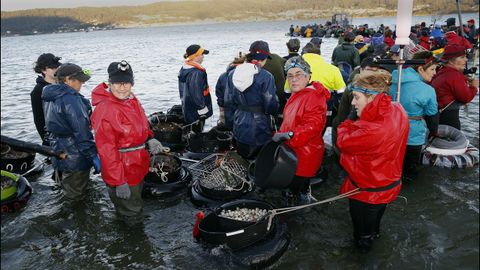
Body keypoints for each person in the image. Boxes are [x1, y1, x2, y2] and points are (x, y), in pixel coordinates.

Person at [337, 70, 409, 251]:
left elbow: (342, 142)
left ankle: (361, 256)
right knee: (374, 224)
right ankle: (373, 237)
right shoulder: (397, 109)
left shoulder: (371, 130)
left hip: (366, 191)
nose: (353, 103)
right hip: (388, 184)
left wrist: (349, 120)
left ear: (371, 98)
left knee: (361, 234)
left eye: (356, 97)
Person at [90, 60, 164, 225]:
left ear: (132, 83)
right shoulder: (105, 109)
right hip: (123, 170)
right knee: (131, 213)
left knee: (134, 203)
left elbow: (141, 122)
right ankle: (133, 236)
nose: (122, 87)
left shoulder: (131, 99)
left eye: (126, 82)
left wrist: (149, 138)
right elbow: (106, 151)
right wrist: (118, 181)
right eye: (117, 83)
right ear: (109, 83)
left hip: (137, 164)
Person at [272, 57, 329, 206]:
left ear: (308, 75)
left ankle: (299, 210)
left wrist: (290, 135)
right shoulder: (298, 93)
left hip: (304, 154)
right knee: (295, 184)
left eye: (298, 74)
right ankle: (301, 196)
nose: (293, 79)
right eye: (290, 75)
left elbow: (313, 125)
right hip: (293, 150)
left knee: (296, 186)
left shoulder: (313, 97)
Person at [42, 63, 100, 200]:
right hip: (75, 157)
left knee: (65, 191)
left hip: (58, 153)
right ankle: (78, 218)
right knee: (77, 197)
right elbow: (82, 134)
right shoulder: (71, 99)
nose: (81, 84)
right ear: (68, 79)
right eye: (79, 80)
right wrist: (93, 156)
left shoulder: (49, 95)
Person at [225, 40, 279, 160]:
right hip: (260, 124)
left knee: (243, 154)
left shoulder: (232, 73)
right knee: (260, 158)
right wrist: (275, 115)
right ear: (264, 58)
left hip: (239, 120)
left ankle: (244, 175)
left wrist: (229, 123)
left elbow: (228, 101)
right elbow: (270, 103)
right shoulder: (266, 76)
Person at [390, 51, 440, 181]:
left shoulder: (392, 80)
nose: (435, 73)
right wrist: (433, 132)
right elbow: (432, 117)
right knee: (409, 172)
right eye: (433, 69)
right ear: (420, 69)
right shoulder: (428, 90)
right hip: (412, 137)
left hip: (389, 133)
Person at [331, 57, 389, 156]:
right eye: (369, 70)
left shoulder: (373, 88)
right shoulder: (355, 90)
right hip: (344, 128)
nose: (372, 74)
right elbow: (346, 116)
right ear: (361, 70)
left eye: (375, 71)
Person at [431, 44, 478, 130]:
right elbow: (466, 97)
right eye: (462, 57)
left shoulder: (441, 71)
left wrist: (463, 79)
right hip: (448, 118)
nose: (466, 60)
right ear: (451, 61)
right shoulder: (454, 75)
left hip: (437, 116)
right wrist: (474, 87)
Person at [178, 44, 213, 131]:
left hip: (188, 107)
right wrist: (202, 109)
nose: (203, 57)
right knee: (197, 132)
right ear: (195, 56)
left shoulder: (184, 68)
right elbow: (196, 93)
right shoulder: (196, 72)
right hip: (197, 111)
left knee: (191, 131)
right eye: (202, 54)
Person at [31, 53, 62, 145]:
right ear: (43, 70)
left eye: (57, 66)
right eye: (53, 67)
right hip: (52, 136)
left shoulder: (62, 85)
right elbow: (38, 118)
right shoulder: (38, 91)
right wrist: (46, 139)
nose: (56, 69)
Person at [215, 52, 245, 130]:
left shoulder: (223, 76)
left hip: (227, 109)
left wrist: (221, 107)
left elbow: (219, 93)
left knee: (229, 129)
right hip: (243, 111)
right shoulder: (247, 75)